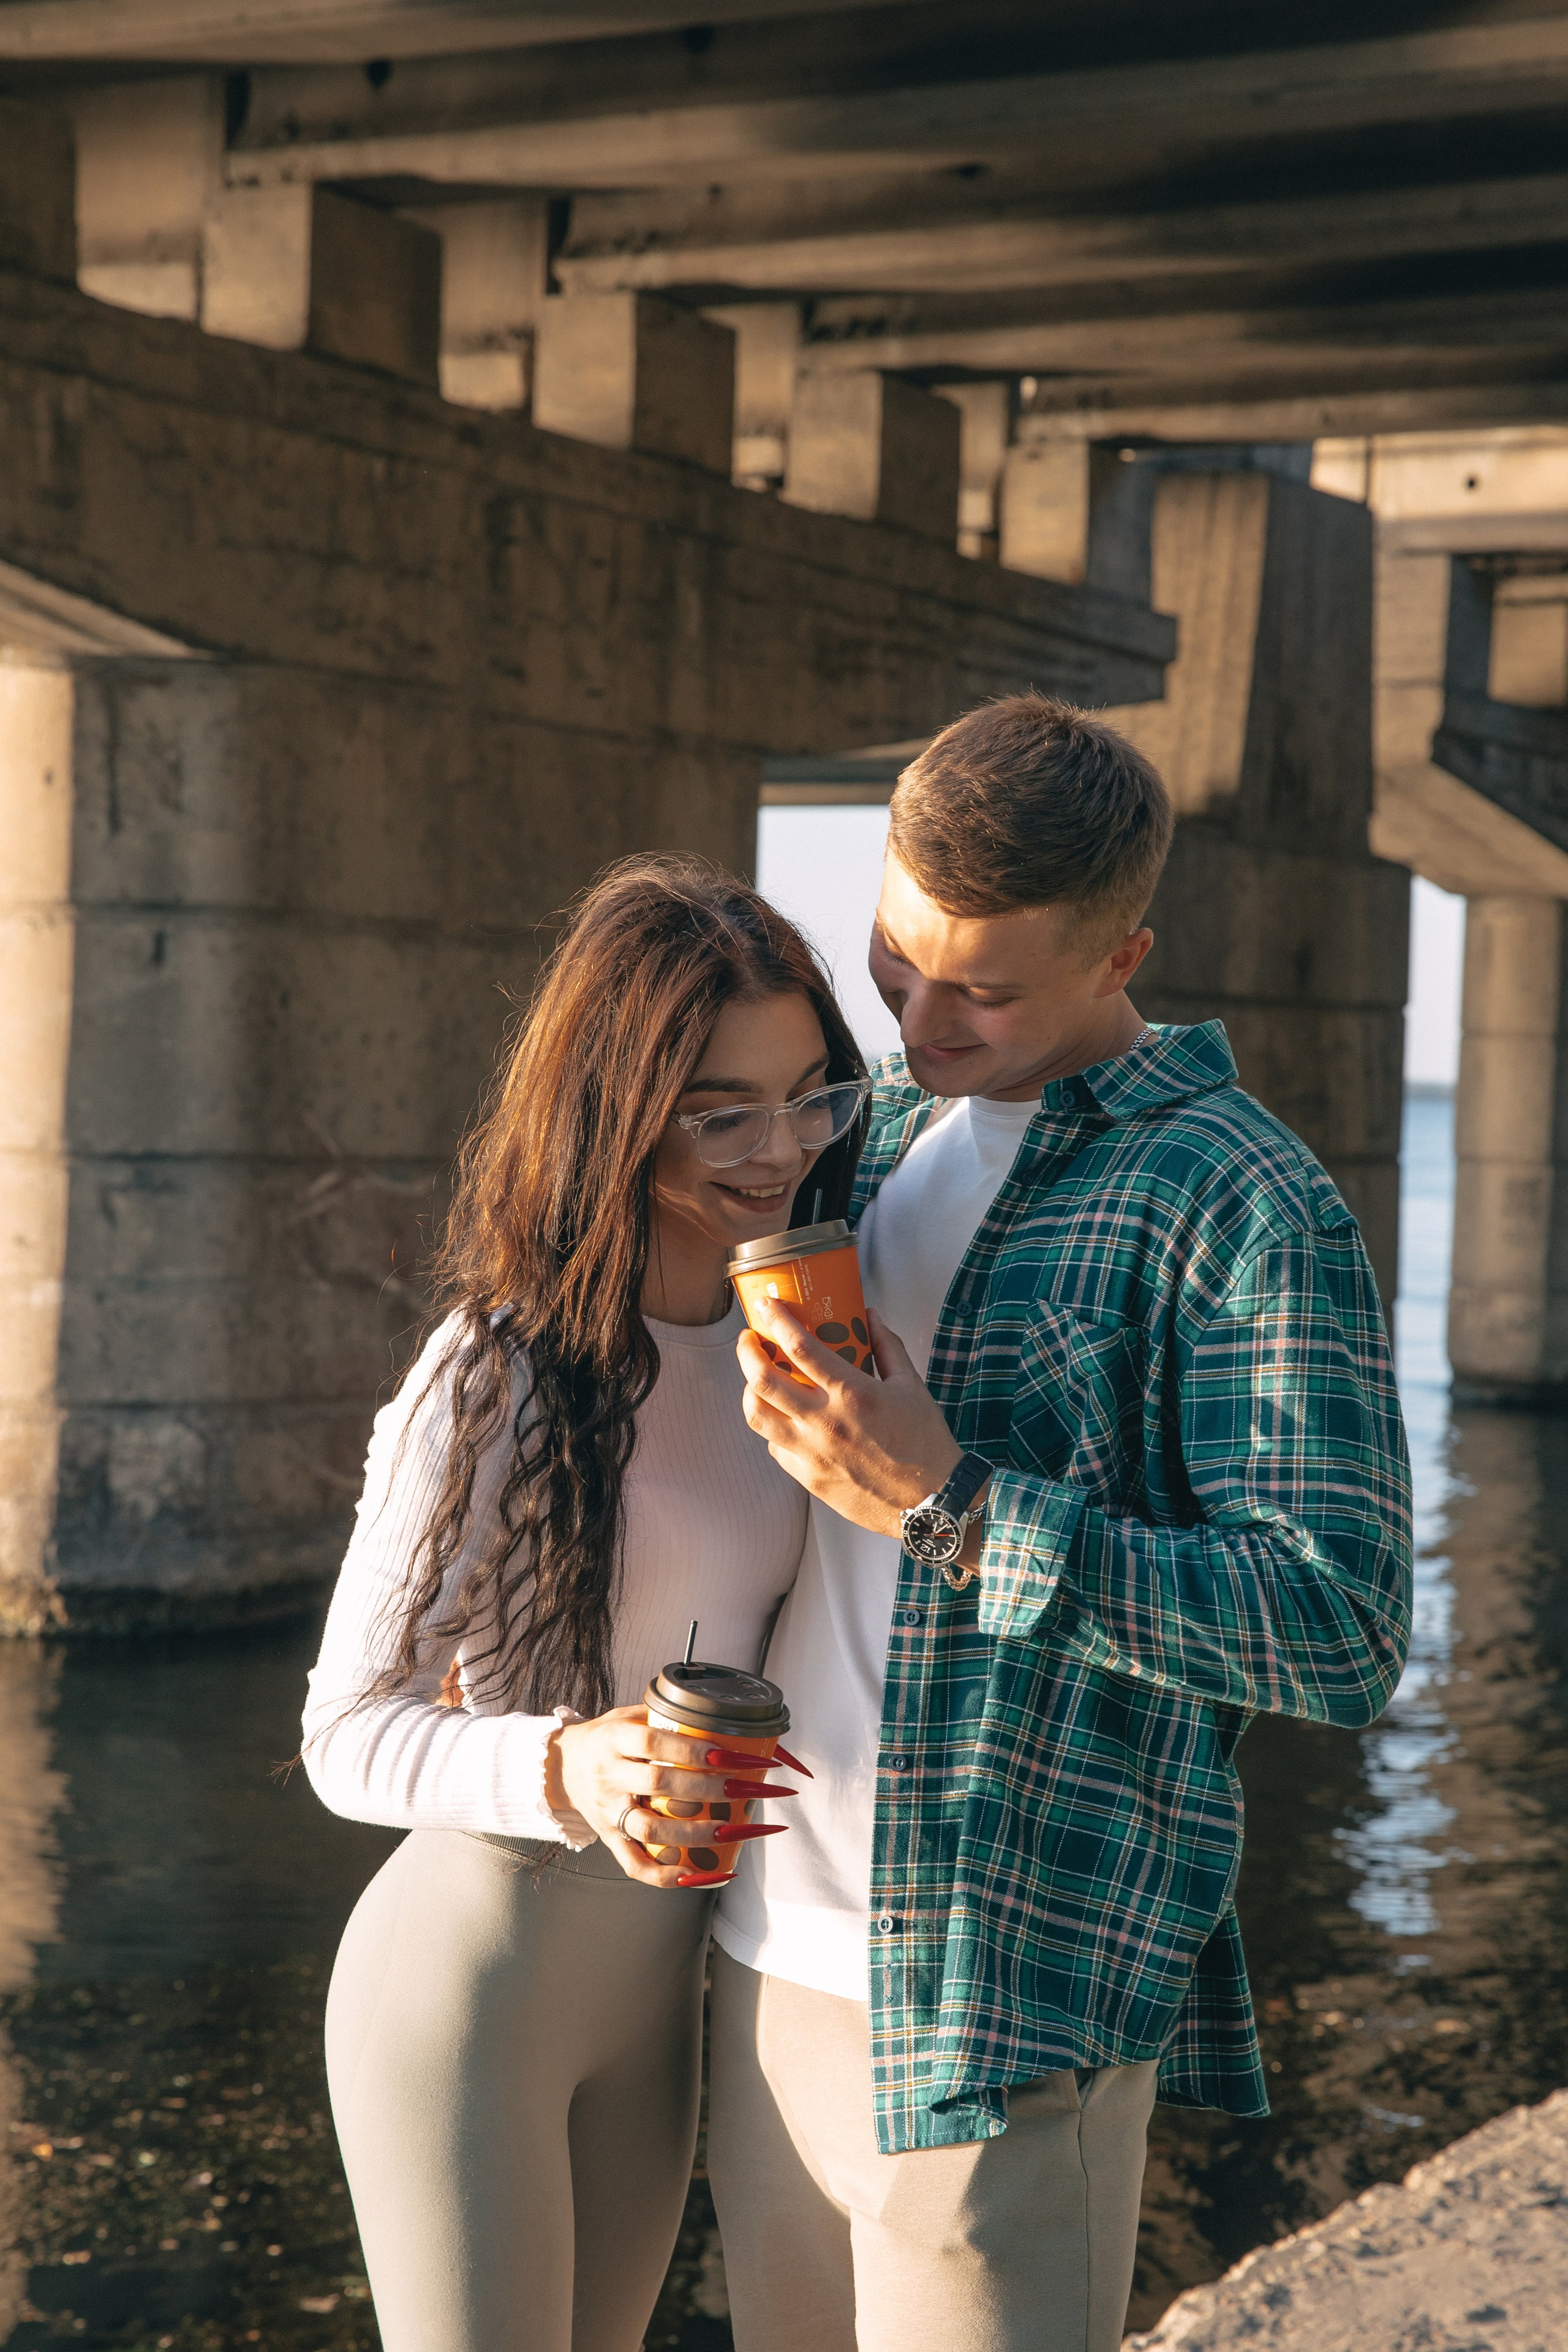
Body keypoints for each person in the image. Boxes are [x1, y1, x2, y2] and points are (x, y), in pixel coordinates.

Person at [708, 695, 1414, 2352]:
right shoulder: (859, 1135)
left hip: (1007, 1989)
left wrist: (953, 1502)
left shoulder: (1242, 1197)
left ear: (1123, 956)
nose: (924, 1014)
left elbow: (1343, 1624)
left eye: (987, 986)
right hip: (758, 1950)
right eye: (897, 953)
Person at [301, 856, 869, 2352]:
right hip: (468, 1988)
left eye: (813, 1094)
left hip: (666, 1990)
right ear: (614, 1111)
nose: (782, 1147)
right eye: (721, 1109)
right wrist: (568, 1760)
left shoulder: (812, 1346)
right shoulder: (499, 1368)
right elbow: (344, 1733)